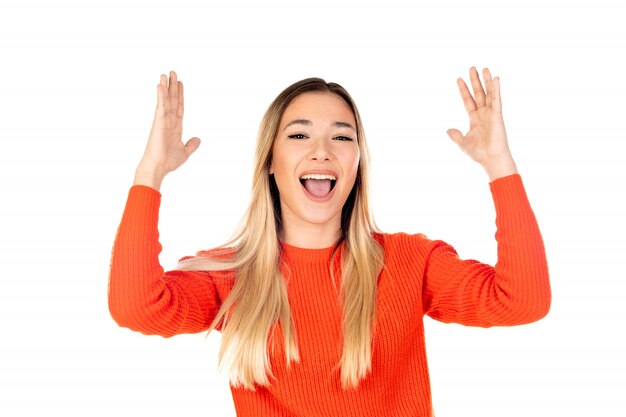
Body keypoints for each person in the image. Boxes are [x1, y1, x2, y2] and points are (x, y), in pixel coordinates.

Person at [108, 68, 551, 417]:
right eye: (299, 135)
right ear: (270, 162)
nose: (322, 151)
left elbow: (523, 300)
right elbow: (135, 306)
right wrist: (151, 174)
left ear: (357, 162)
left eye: (342, 137)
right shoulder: (231, 275)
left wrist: (499, 165)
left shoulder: (409, 261)